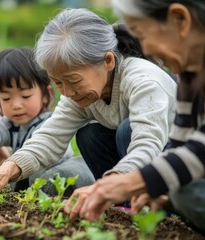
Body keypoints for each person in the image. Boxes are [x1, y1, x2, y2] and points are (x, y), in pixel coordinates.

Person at [0, 8, 177, 199]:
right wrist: (7, 169)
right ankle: (124, 201)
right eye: (58, 82)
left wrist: (111, 184)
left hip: (180, 159)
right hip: (142, 164)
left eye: (74, 81)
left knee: (127, 131)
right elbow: (49, 138)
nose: (67, 92)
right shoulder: (80, 96)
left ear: (108, 61)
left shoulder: (144, 81)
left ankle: (156, 202)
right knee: (90, 136)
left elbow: (147, 143)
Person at [62, 0, 205, 234]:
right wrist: (156, 186)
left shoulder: (144, 76)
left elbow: (200, 149)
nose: (145, 49)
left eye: (143, 34)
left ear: (180, 20)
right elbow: (181, 144)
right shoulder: (190, 75)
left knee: (185, 192)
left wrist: (129, 182)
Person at [0, 48, 94, 195]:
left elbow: (49, 151)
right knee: (22, 181)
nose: (16, 105)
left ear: (46, 95)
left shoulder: (51, 122)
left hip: (59, 174)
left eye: (26, 96)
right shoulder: (9, 125)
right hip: (32, 181)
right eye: (6, 98)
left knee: (65, 173)